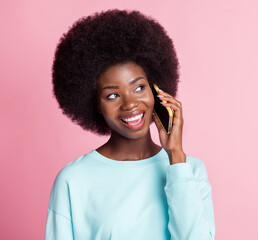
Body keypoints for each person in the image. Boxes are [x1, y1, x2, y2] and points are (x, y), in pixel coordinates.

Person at [45, 9, 215, 240]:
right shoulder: (74, 180)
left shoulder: (190, 170)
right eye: (113, 95)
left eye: (138, 88)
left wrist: (176, 157)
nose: (131, 104)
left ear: (156, 90)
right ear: (95, 104)